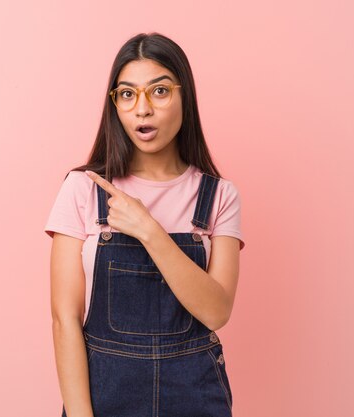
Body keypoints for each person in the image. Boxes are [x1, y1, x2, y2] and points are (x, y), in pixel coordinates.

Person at [44, 32, 245, 417]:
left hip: (195, 396)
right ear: (115, 104)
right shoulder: (82, 189)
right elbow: (64, 319)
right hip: (105, 395)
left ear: (185, 96)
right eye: (127, 94)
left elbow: (216, 311)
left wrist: (149, 230)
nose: (143, 109)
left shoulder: (220, 195)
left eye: (159, 91)